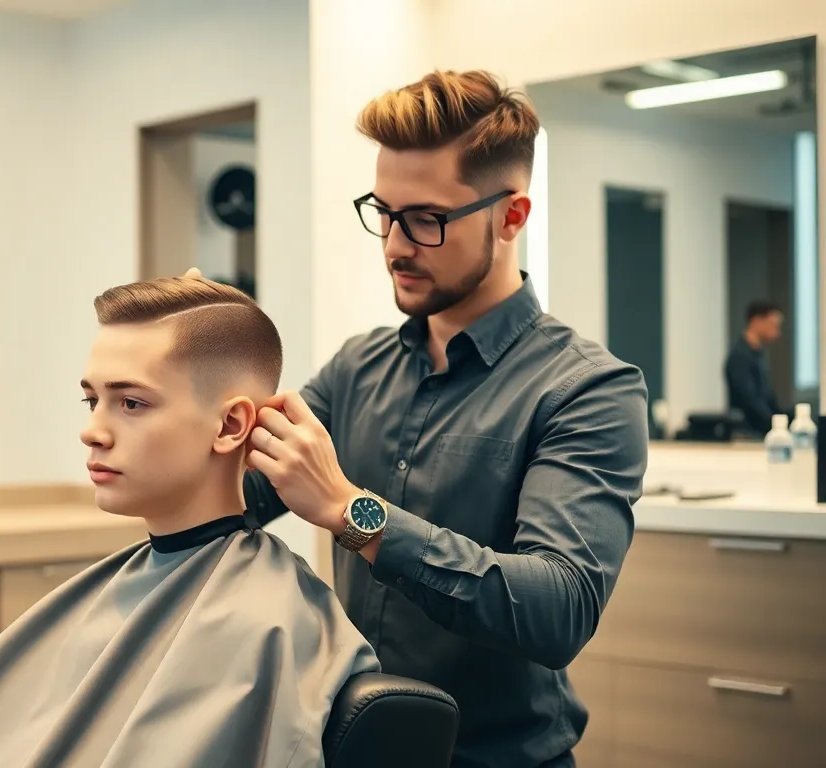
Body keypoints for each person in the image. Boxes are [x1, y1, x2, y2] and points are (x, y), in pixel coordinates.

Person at [218, 70, 649, 768]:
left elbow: (558, 608)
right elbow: (239, 499)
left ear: (511, 216)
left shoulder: (587, 389)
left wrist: (352, 512)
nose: (393, 244)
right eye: (383, 212)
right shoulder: (356, 369)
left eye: (426, 219)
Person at [0, 277, 379, 768]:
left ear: (230, 425)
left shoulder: (258, 621)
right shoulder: (135, 580)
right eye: (92, 400)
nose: (93, 431)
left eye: (131, 402)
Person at [725, 299, 784, 434]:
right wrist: (774, 424)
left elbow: (766, 397)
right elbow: (749, 400)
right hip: (748, 432)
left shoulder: (758, 355)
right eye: (773, 325)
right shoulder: (740, 356)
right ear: (757, 321)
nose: (777, 332)